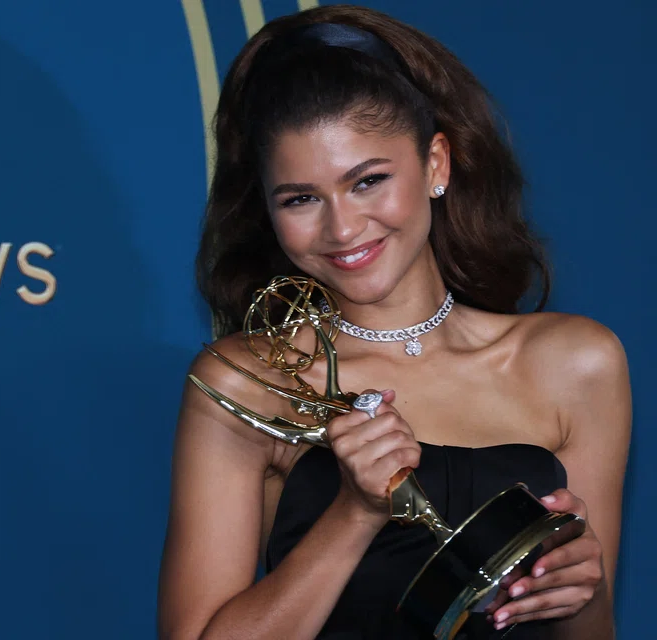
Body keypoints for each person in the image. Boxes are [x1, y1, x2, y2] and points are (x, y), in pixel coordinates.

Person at [157, 5, 630, 639]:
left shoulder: (577, 363)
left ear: (436, 164)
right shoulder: (249, 381)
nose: (343, 228)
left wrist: (582, 591)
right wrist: (353, 513)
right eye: (301, 198)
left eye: (369, 181)